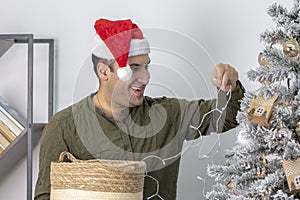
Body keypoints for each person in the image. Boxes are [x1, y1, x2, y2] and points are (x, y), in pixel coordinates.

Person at [34, 18, 245, 200]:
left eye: (146, 66)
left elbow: (226, 117)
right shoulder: (64, 126)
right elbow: (46, 195)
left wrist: (230, 86)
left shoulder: (169, 114)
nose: (145, 78)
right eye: (134, 68)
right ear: (104, 71)